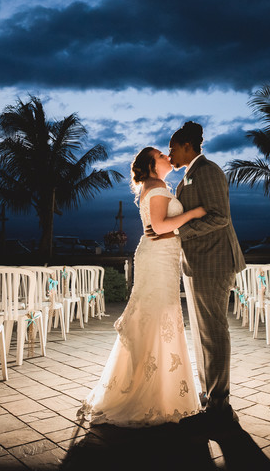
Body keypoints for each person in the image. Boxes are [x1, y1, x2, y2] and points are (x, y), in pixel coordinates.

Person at [77, 146, 207, 426]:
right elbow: (160, 226)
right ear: (151, 164)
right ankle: (150, 394)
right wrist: (194, 213)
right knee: (157, 317)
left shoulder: (155, 185)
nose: (167, 157)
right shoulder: (157, 185)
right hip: (158, 258)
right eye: (161, 155)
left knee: (158, 318)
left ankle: (160, 389)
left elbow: (159, 227)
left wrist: (173, 227)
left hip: (162, 256)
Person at [149, 121, 245, 436]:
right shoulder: (188, 177)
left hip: (214, 262)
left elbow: (220, 217)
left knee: (213, 334)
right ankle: (210, 401)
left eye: (173, 147)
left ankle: (220, 408)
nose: (170, 153)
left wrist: (178, 229)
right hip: (196, 264)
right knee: (202, 336)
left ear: (187, 146)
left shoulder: (209, 172)